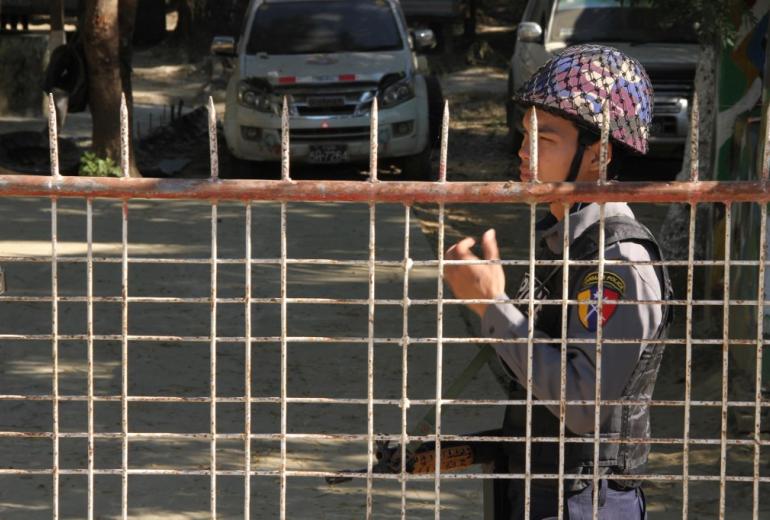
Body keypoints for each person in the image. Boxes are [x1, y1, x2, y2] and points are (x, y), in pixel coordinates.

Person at [444, 44, 673, 519]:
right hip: (544, 487)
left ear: (599, 154)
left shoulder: (619, 261)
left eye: (544, 140)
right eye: (524, 136)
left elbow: (586, 405)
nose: (523, 152)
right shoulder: (568, 245)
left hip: (586, 499)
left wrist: (493, 306)